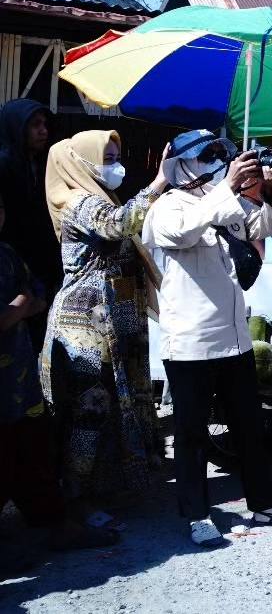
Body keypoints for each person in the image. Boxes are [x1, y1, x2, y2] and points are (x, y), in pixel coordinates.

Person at [142, 130, 272, 546]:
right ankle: (197, 514)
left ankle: (265, 504)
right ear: (182, 164)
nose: (219, 161)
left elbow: (271, 224)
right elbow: (182, 233)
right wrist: (227, 188)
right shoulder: (167, 207)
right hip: (191, 341)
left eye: (222, 154)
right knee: (191, 434)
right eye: (208, 155)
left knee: (249, 428)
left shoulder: (225, 202)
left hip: (235, 336)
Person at [41, 130, 166, 523]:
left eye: (115, 158)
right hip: (85, 324)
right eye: (107, 159)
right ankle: (75, 500)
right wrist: (160, 181)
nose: (115, 167)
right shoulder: (75, 201)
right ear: (80, 162)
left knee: (115, 405)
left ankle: (107, 490)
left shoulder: (99, 197)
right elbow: (118, 225)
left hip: (114, 317)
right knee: (89, 410)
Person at [0, 191, 116, 565]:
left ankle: (56, 526)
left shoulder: (6, 254)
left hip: (19, 382)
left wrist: (21, 306)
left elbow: (38, 295)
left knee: (34, 453)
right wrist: (21, 306)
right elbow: (21, 305)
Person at [0, 98, 60, 349]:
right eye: (35, 125)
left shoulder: (43, 165)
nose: (43, 131)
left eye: (45, 124)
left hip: (39, 266)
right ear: (18, 126)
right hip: (9, 266)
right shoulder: (4, 164)